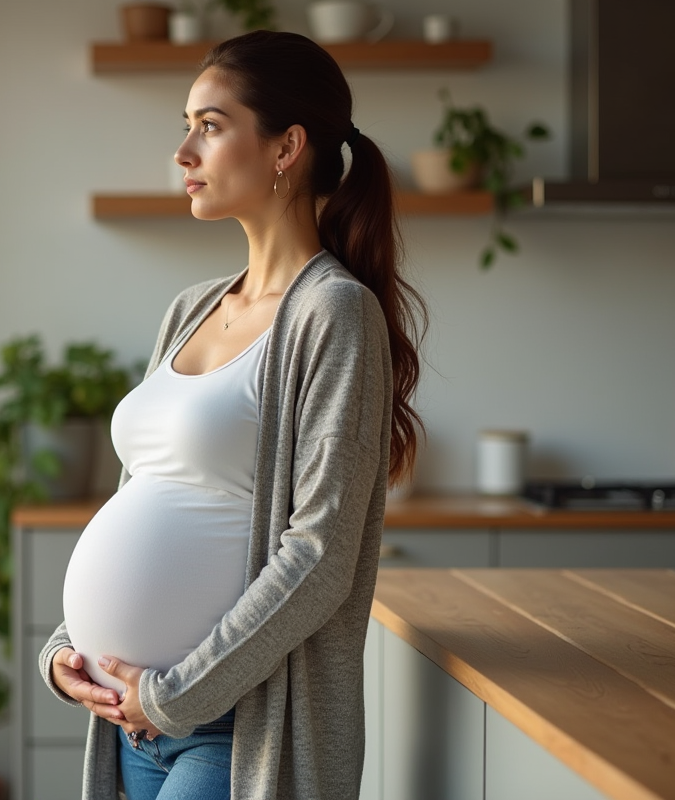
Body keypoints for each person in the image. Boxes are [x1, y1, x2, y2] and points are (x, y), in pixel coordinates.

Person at [39, 29, 425, 800]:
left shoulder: (333, 313)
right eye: (185, 127)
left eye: (210, 127)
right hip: (127, 725)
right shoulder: (191, 308)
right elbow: (139, 494)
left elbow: (319, 555)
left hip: (238, 731)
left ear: (286, 148)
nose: (184, 151)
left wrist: (176, 693)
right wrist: (64, 652)